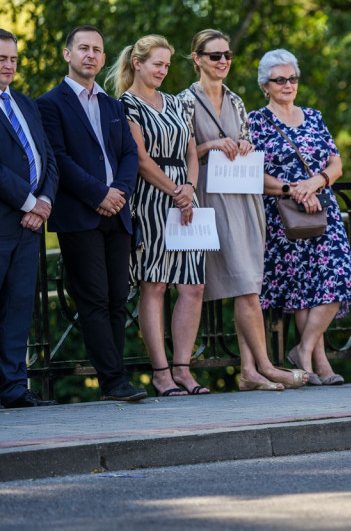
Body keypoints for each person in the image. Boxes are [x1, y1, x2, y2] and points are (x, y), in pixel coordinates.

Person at [178, 30, 306, 391]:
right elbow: (178, 153)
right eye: (215, 55)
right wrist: (211, 145)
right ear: (197, 58)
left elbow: (246, 137)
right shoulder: (184, 101)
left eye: (227, 55)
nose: (223, 62)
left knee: (248, 282)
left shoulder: (236, 101)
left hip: (242, 196)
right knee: (242, 286)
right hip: (208, 199)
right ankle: (264, 366)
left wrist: (246, 145)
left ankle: (251, 371)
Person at [38, 25, 147, 402]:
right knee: (94, 300)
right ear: (67, 54)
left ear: (103, 58)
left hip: (117, 214)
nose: (91, 55)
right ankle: (113, 382)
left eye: (97, 50)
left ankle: (116, 380)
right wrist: (100, 194)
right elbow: (59, 160)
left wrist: (119, 193)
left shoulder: (112, 104)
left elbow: (130, 155)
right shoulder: (48, 104)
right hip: (80, 216)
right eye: (83, 48)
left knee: (118, 297)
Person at [109, 34, 209, 397]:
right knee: (155, 284)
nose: (164, 71)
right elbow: (139, 159)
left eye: (167, 65)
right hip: (152, 199)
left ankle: (183, 367)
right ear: (138, 63)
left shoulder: (177, 103)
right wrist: (175, 191)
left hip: (186, 197)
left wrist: (189, 190)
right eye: (157, 64)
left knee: (193, 285)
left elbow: (191, 152)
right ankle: (161, 372)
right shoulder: (126, 104)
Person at [248, 49, 351, 386]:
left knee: (337, 280)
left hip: (322, 207)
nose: (288, 84)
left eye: (293, 78)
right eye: (280, 79)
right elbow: (251, 173)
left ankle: (303, 350)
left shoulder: (314, 116)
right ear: (266, 84)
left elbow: (336, 164)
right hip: (284, 213)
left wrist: (314, 183)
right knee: (304, 287)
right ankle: (319, 364)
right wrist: (293, 189)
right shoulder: (255, 122)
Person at [0, 29, 59, 409]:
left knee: (20, 307)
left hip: (30, 225)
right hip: (7, 218)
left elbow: (48, 159)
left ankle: (13, 388)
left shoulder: (26, 103)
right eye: (1, 60)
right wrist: (28, 202)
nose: (7, 66)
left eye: (12, 60)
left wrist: (46, 200)